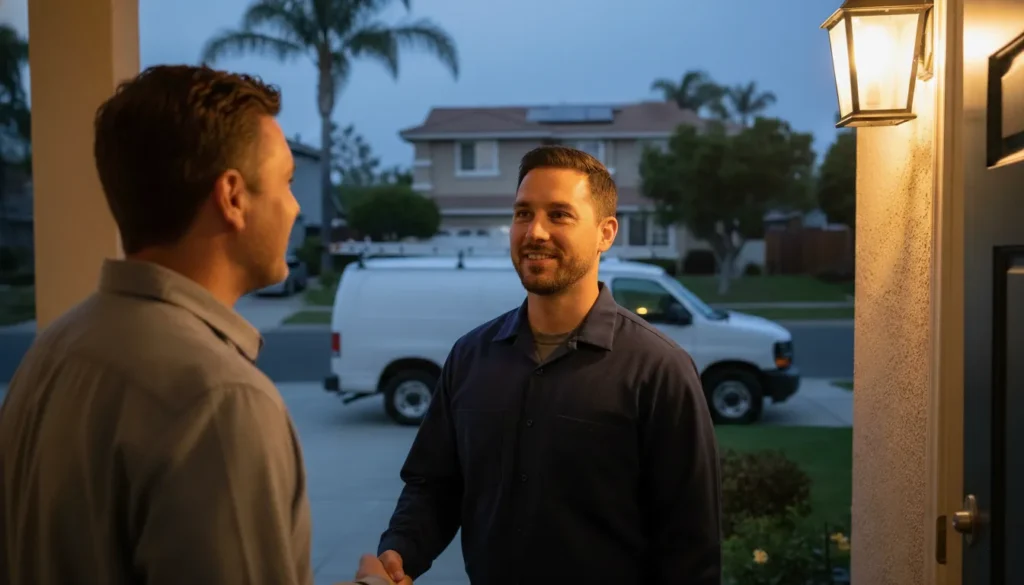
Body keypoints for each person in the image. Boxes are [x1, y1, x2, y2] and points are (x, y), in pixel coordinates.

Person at [0, 65, 393, 585]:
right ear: (232, 197)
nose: (296, 207)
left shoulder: (52, 350)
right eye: (287, 182)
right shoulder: (219, 400)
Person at [376, 145, 722, 584]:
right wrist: (398, 554)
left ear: (606, 232)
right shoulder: (470, 357)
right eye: (523, 214)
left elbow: (690, 546)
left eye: (559, 214)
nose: (534, 231)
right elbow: (434, 485)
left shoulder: (659, 370)